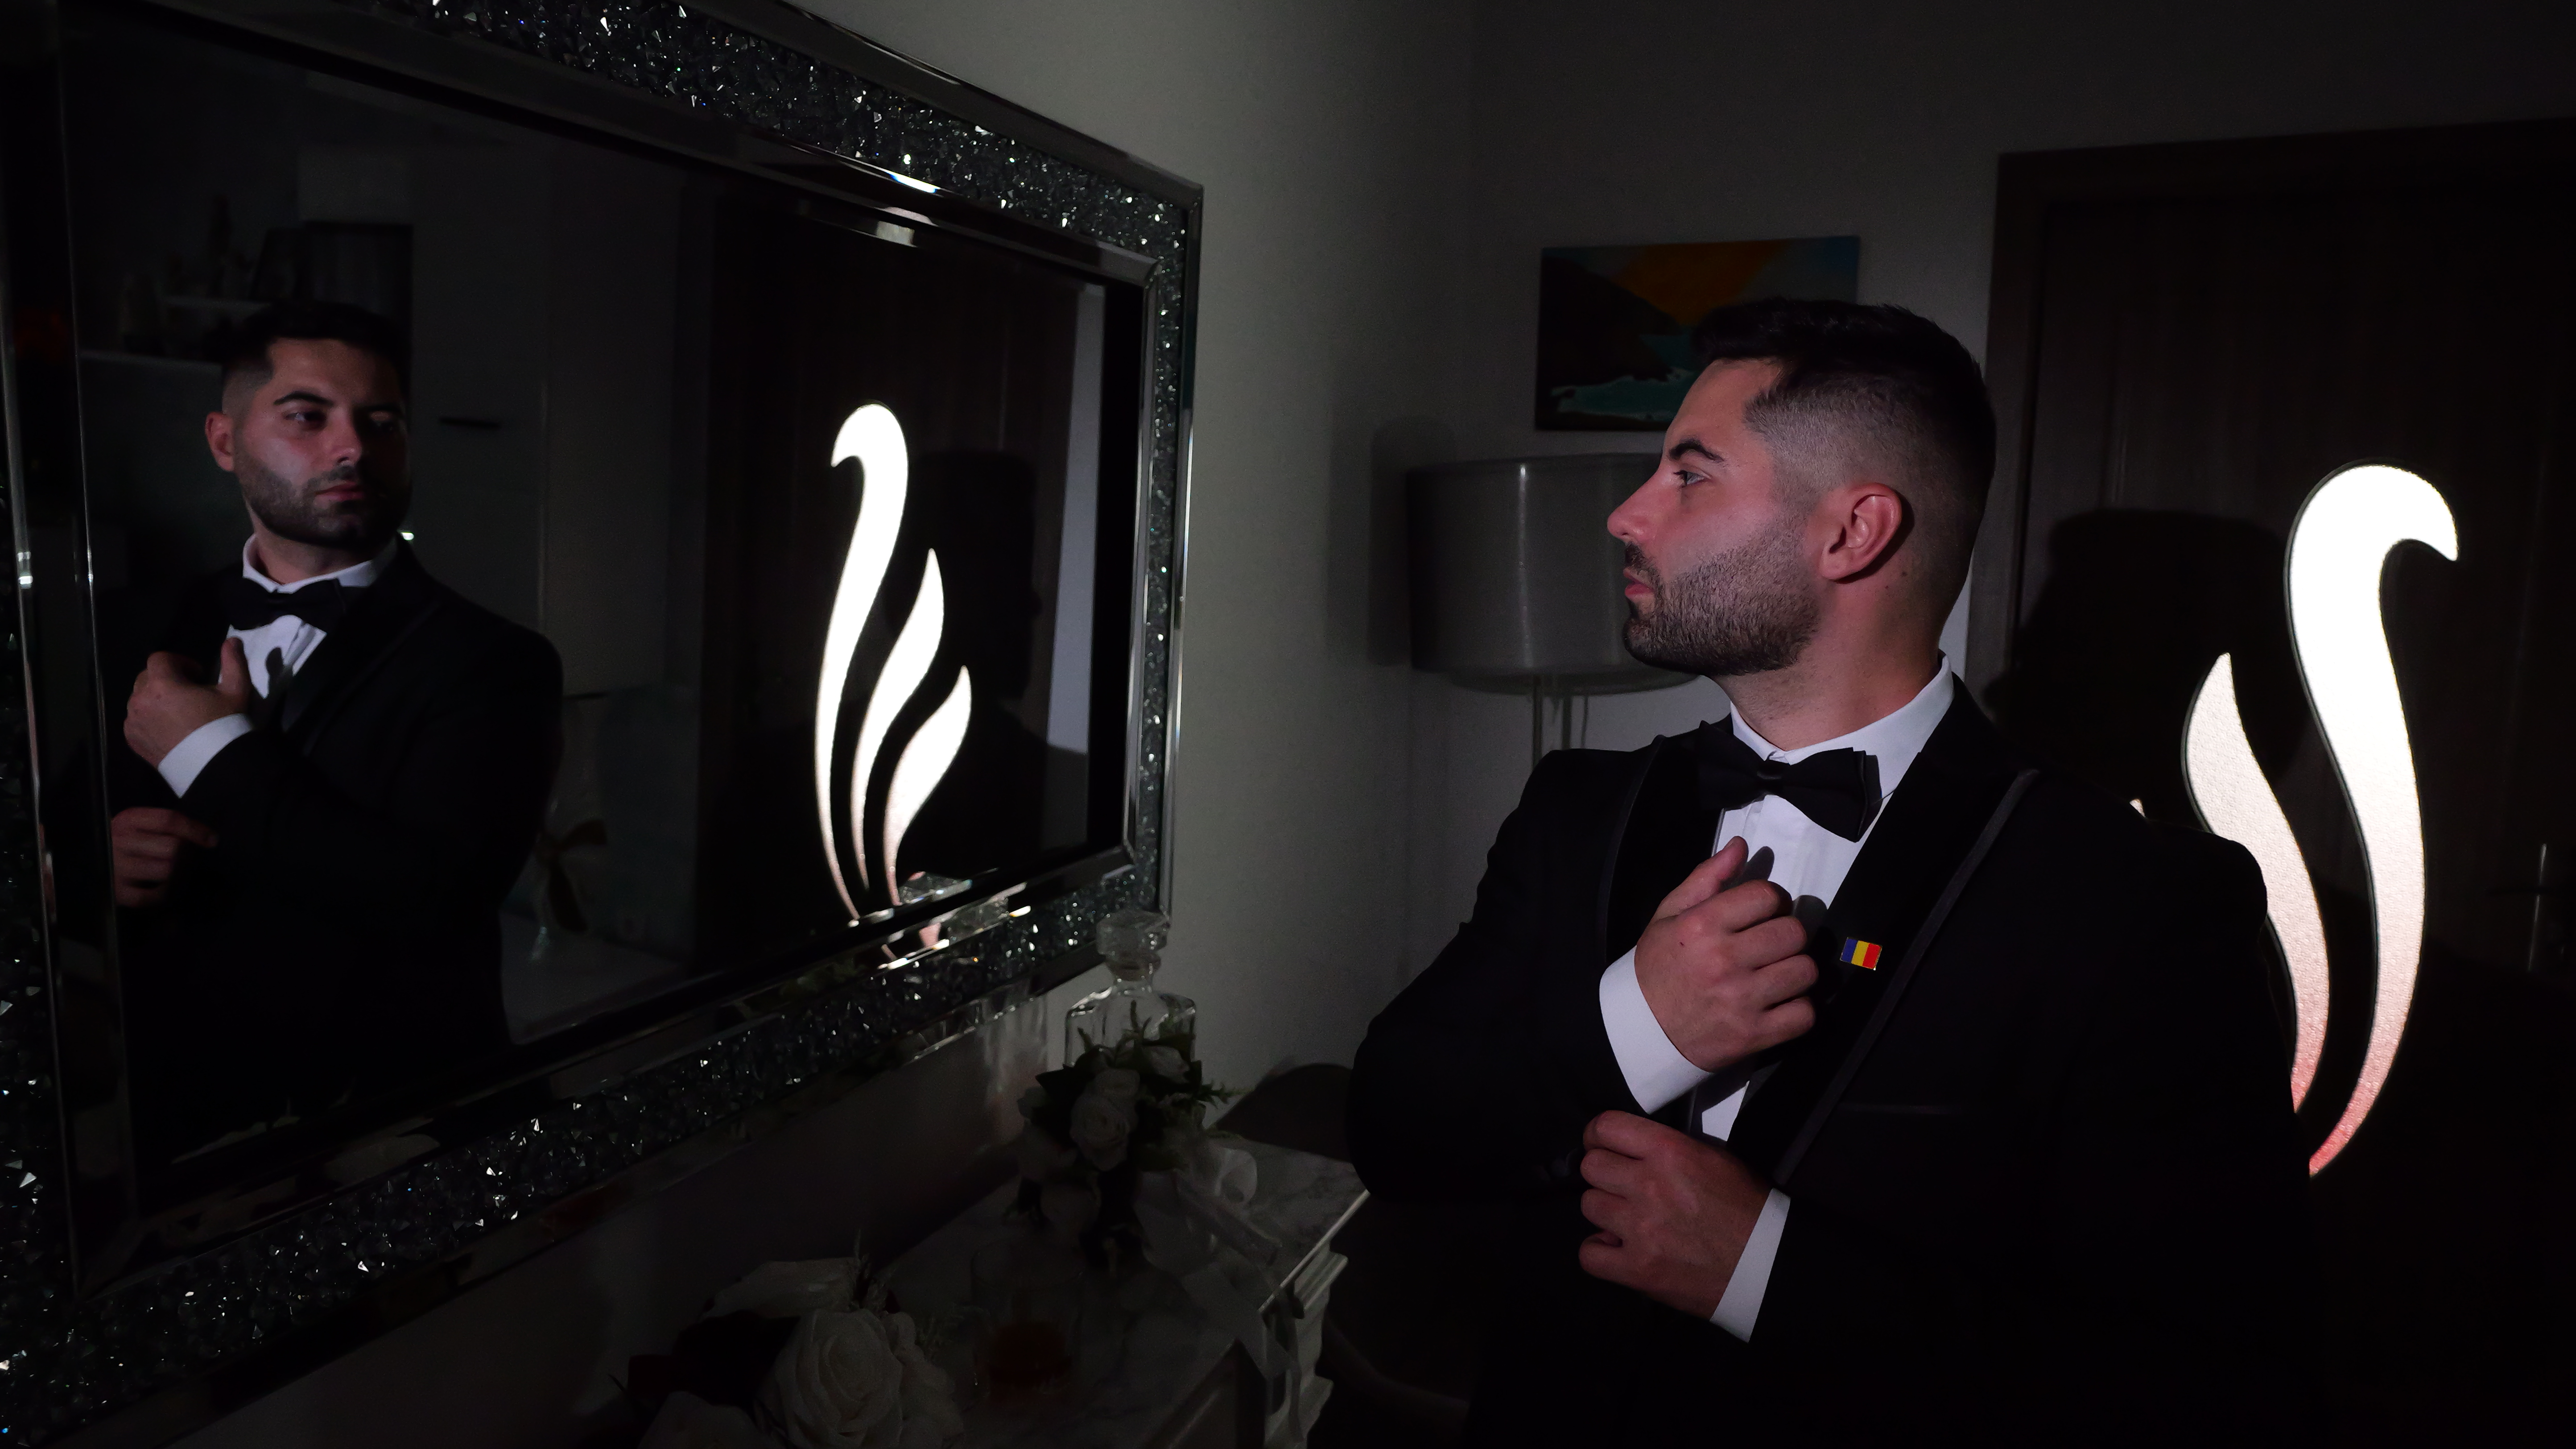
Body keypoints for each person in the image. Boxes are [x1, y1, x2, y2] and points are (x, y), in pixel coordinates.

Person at [1348, 299, 2315, 1444]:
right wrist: (1634, 1029)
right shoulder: (1577, 812)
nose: (1624, 514)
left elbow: (2199, 1381)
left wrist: (1764, 1268)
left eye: (1687, 475)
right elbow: (1394, 1126)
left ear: (1853, 532)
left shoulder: (2136, 904)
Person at [111, 300, 561, 1157]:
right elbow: (66, 817)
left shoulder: (498, 663)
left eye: (381, 422)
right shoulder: (149, 620)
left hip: (401, 1129)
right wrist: (105, 859)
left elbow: (433, 901)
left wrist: (207, 751)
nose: (353, 447)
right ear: (224, 441)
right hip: (183, 1122)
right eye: (307, 416)